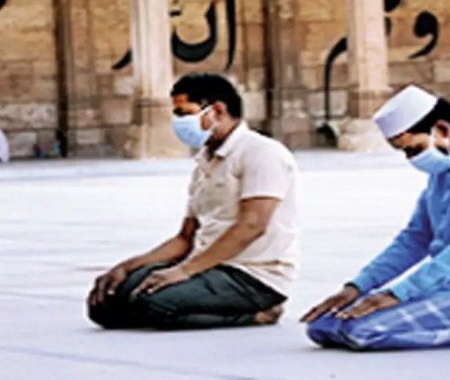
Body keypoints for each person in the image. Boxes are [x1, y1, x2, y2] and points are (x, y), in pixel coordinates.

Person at [302, 85, 450, 351]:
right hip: (441, 287)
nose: (410, 159)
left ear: (442, 130)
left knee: (360, 332)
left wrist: (399, 293)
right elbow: (415, 238)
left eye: (413, 149)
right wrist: (357, 287)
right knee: (324, 325)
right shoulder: (443, 171)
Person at [87, 73, 299, 329]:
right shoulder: (205, 161)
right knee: (106, 303)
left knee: (154, 305)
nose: (178, 122)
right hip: (206, 264)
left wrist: (184, 271)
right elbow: (185, 238)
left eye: (184, 113)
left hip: (251, 276)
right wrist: (127, 267)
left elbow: (252, 226)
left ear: (217, 110)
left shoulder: (261, 153)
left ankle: (258, 315)